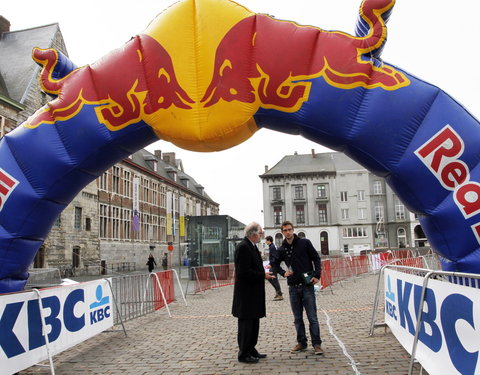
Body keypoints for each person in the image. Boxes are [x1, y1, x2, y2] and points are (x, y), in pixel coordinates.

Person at [271, 220, 324, 355]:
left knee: (312, 317)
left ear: (293, 230)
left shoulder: (304, 243)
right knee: (297, 318)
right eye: (285, 230)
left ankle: (317, 344)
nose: (288, 232)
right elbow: (275, 264)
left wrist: (317, 275)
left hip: (307, 286)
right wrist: (283, 273)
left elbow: (316, 258)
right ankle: (301, 342)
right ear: (282, 232)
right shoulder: (281, 249)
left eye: (289, 229)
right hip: (293, 288)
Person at [232, 222, 276, 364]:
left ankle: (251, 348)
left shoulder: (252, 246)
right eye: (261, 233)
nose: (262, 235)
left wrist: (263, 271)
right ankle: (243, 353)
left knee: (254, 323)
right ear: (254, 234)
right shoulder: (243, 247)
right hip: (246, 295)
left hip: (254, 293)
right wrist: (262, 275)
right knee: (246, 325)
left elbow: (254, 266)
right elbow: (243, 272)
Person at [265, 235, 283, 301]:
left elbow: (275, 257)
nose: (265, 242)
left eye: (266, 240)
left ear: (269, 241)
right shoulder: (271, 246)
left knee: (274, 280)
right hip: (272, 265)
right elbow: (273, 257)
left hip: (274, 266)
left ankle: (280, 294)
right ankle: (278, 292)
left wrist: (271, 264)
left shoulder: (272, 247)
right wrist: (270, 264)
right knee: (270, 278)